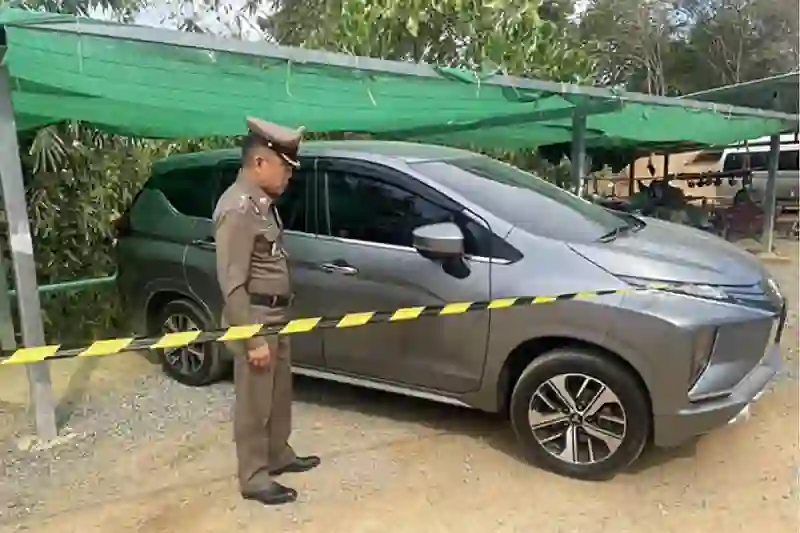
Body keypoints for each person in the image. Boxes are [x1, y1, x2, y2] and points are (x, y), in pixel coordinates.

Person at [213, 117, 320, 506]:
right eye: (285, 168)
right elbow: (233, 282)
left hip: (277, 315)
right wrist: (252, 337)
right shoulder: (238, 208)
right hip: (256, 319)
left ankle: (278, 453)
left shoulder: (261, 204)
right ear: (260, 163)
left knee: (277, 394)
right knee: (254, 400)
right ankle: (254, 475)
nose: (289, 177)